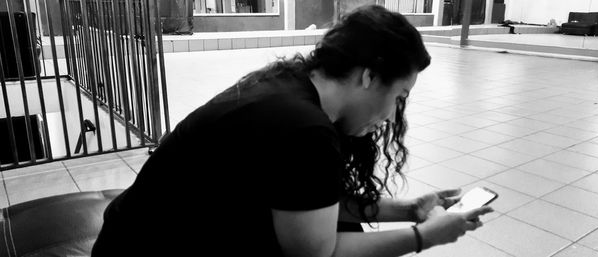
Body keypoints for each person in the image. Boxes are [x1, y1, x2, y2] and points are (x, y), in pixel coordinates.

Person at [92, 5, 493, 257]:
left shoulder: (290, 85)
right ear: (370, 76)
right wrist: (424, 237)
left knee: (344, 224)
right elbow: (318, 253)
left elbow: (307, 203)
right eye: (400, 95)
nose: (391, 116)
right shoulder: (304, 129)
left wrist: (408, 210)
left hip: (133, 236)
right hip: (144, 249)